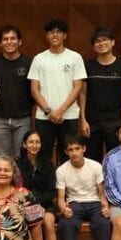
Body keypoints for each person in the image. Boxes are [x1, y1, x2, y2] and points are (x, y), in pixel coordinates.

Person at [55, 134, 114, 240]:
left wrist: (105, 206)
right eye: (70, 150)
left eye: (77, 149)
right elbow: (61, 197)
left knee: (103, 224)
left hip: (94, 202)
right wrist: (63, 209)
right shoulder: (61, 170)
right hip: (74, 203)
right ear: (67, 152)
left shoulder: (95, 166)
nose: (74, 152)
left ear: (84, 149)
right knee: (65, 224)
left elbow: (101, 191)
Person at [29, 19, 87, 163]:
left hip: (69, 116)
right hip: (44, 116)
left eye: (59, 32)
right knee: (43, 155)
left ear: (65, 36)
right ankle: (46, 186)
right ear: (47, 36)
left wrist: (60, 111)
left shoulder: (75, 57)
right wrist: (49, 111)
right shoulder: (39, 59)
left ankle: (66, 186)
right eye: (51, 32)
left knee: (68, 154)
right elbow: (34, 89)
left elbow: (78, 87)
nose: (55, 35)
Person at [16, 130, 60, 240]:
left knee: (48, 223)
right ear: (24, 144)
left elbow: (52, 189)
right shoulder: (17, 163)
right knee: (36, 224)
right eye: (31, 142)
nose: (34, 145)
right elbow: (16, 189)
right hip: (25, 205)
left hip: (45, 203)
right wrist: (31, 205)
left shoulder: (48, 163)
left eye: (37, 142)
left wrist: (39, 204)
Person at [79, 27, 121, 161]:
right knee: (91, 158)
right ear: (93, 46)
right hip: (92, 121)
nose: (101, 44)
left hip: (115, 119)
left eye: (105, 40)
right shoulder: (88, 65)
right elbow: (83, 93)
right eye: (97, 41)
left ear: (113, 42)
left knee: (116, 159)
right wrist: (83, 119)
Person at [0, 24, 34, 159]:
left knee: (22, 157)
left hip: (23, 119)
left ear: (20, 41)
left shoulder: (29, 63)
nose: (9, 42)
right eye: (5, 39)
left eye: (13, 38)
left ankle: (19, 181)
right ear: (0, 43)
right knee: (3, 159)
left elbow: (35, 91)